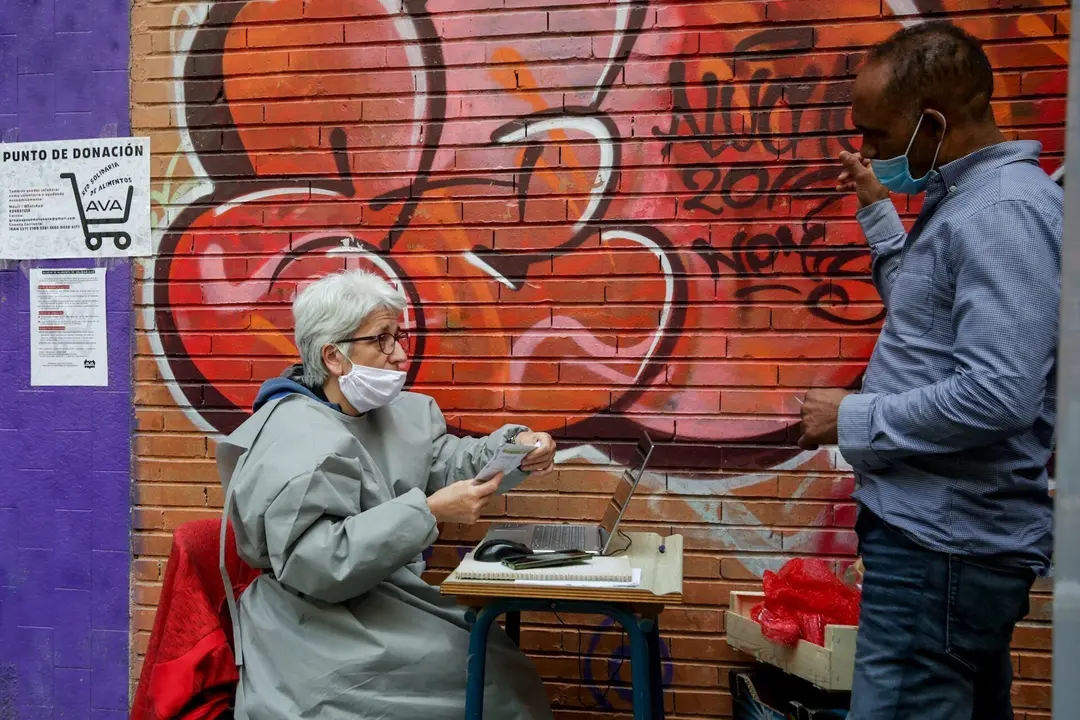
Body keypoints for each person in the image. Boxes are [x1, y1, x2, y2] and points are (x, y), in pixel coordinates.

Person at [797, 22, 1061, 720]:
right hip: (939, 550)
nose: (868, 149)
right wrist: (879, 215)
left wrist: (847, 419)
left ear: (934, 122)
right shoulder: (966, 202)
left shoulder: (1002, 214)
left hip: (940, 554)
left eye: (878, 134)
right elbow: (924, 314)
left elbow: (1000, 394)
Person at [215, 269, 557, 720]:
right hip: (316, 629)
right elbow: (315, 562)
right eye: (382, 339)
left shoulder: (393, 413)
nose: (399, 355)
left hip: (383, 602)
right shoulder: (293, 436)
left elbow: (450, 461)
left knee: (497, 666)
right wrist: (429, 512)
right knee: (494, 686)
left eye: (399, 336)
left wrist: (518, 447)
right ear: (334, 357)